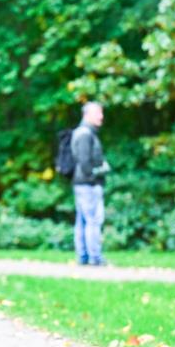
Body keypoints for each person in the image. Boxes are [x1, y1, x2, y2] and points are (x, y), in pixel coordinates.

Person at [71, 102, 110, 266]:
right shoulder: (85, 134)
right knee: (93, 220)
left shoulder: (84, 132)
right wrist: (101, 171)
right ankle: (95, 257)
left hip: (83, 183)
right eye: (98, 113)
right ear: (87, 115)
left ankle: (84, 257)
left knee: (82, 220)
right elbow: (85, 162)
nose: (101, 116)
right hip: (88, 184)